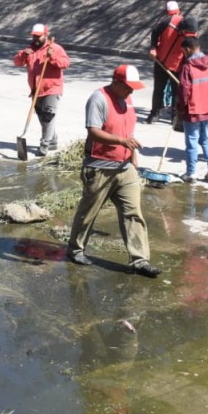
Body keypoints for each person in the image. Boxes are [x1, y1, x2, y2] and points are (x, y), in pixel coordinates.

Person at [66, 65, 160, 278]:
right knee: (89, 212)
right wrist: (121, 141)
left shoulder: (127, 98)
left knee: (133, 213)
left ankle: (139, 260)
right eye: (128, 87)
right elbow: (93, 130)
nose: (131, 92)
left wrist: (132, 155)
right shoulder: (98, 99)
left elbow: (127, 129)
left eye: (133, 88)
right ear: (116, 82)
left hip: (125, 167)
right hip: (100, 167)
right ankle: (75, 249)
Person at [12, 22, 72, 157]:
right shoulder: (30, 50)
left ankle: (44, 146)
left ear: (46, 35)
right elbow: (16, 62)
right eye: (34, 36)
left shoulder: (55, 48)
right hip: (36, 89)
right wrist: (22, 55)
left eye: (39, 36)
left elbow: (66, 63)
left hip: (52, 88)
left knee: (47, 117)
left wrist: (52, 58)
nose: (36, 39)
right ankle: (53, 140)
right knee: (42, 117)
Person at [176, 34, 208, 183]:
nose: (183, 54)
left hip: (193, 110)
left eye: (183, 51)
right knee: (205, 138)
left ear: (188, 49)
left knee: (191, 142)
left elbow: (184, 91)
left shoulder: (188, 67)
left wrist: (180, 108)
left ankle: (191, 173)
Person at [146, 0, 184, 123]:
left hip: (172, 63)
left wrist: (153, 48)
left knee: (167, 90)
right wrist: (153, 48)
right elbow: (155, 33)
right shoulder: (170, 22)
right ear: (178, 10)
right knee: (168, 91)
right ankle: (164, 115)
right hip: (163, 62)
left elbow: (154, 33)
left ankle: (166, 116)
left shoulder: (167, 21)